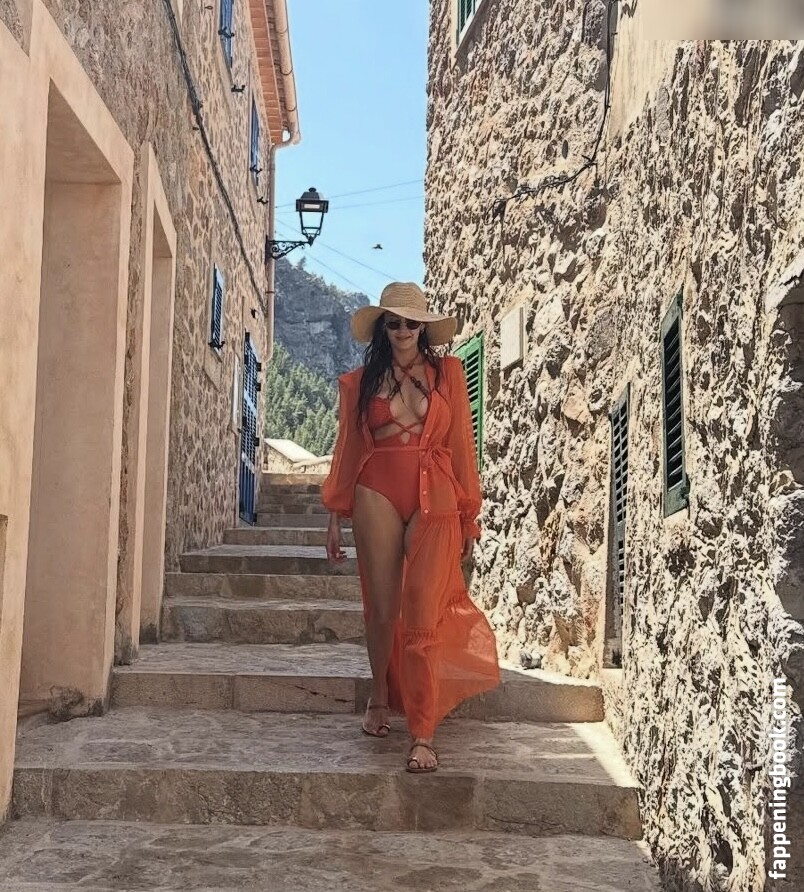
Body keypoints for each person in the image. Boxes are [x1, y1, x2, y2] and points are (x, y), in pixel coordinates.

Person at [321, 281, 500, 773]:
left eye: (411, 323)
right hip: (374, 490)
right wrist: (334, 514)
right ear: (384, 328)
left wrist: (469, 516)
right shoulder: (360, 382)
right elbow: (348, 449)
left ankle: (422, 732)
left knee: (422, 612)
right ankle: (379, 695)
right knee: (381, 609)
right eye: (394, 322)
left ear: (424, 329)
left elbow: (461, 446)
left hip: (435, 494)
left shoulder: (449, 374)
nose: (402, 330)